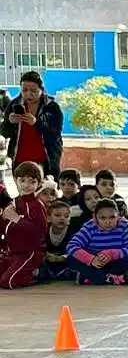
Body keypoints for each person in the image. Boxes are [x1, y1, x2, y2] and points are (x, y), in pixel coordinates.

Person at [5, 71, 64, 181]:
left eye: (33, 91)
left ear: (41, 89)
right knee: (23, 192)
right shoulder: (14, 104)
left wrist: (37, 123)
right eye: (24, 90)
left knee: (45, 193)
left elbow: (56, 131)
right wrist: (10, 122)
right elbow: (4, 132)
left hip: (45, 160)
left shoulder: (51, 106)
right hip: (19, 160)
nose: (28, 94)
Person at [66, 199, 128, 284]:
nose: (108, 222)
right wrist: (91, 259)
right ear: (95, 217)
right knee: (70, 259)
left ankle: (92, 277)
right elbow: (71, 246)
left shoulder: (124, 225)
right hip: (94, 263)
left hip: (115, 261)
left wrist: (112, 254)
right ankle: (114, 277)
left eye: (112, 217)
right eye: (103, 218)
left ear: (118, 215)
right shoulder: (89, 227)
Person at [0, 160, 48, 288]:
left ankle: (37, 273)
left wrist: (16, 219)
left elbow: (40, 231)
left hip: (30, 253)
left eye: (32, 181)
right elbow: (5, 228)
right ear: (15, 180)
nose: (26, 185)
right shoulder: (14, 203)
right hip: (12, 253)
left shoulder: (37, 205)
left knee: (7, 282)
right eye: (22, 180)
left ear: (39, 184)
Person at [39, 199, 75, 281]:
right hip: (47, 261)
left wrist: (59, 258)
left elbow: (76, 250)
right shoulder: (44, 230)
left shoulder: (73, 232)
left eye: (66, 216)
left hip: (66, 261)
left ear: (69, 220)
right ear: (48, 218)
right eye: (57, 215)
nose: (62, 218)